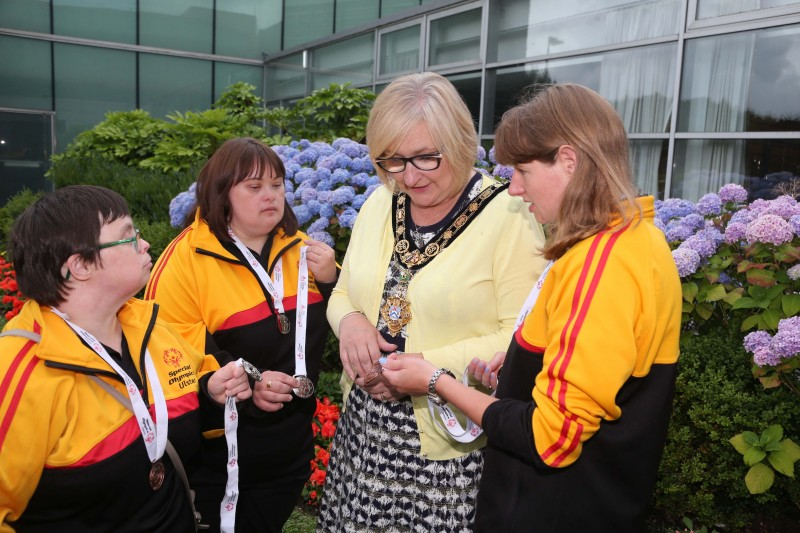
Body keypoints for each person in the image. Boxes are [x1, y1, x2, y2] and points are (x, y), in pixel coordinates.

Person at [382, 83, 683, 532]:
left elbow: (551, 438)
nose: (514, 188)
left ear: (568, 160)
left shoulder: (602, 264)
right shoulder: (636, 237)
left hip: (553, 507)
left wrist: (436, 380)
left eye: (522, 170)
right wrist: (523, 365)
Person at [318, 72, 548, 532]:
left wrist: (422, 370)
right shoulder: (381, 203)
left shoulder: (511, 215)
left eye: (426, 157)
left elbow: (519, 337)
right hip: (364, 428)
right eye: (393, 160)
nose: (409, 176)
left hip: (448, 443)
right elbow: (344, 290)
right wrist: (350, 323)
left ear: (460, 142)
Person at [0, 185, 251, 532]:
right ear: (81, 265)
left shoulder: (150, 327)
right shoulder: (20, 369)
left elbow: (182, 415)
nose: (144, 244)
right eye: (128, 237)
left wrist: (210, 393)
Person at [145, 137, 338, 532]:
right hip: (218, 462)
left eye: (277, 185)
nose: (270, 196)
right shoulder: (184, 261)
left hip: (290, 455)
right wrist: (250, 384)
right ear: (222, 194)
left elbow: (340, 326)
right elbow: (170, 358)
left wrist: (335, 282)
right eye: (254, 187)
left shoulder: (306, 251)